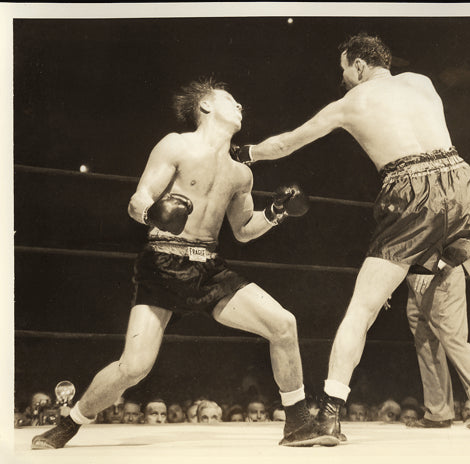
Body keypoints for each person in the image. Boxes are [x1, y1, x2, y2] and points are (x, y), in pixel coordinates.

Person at [233, 32, 470, 441]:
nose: (344, 79)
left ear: (358, 64)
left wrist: (245, 154)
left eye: (344, 70)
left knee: (362, 308)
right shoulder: (421, 82)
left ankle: (330, 416)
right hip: (462, 179)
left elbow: (286, 143)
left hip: (408, 188)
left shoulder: (351, 103)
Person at [31, 77, 337, 449]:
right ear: (206, 107)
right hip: (163, 260)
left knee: (284, 324)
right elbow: (138, 199)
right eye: (230, 99)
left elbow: (242, 230)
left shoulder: (242, 172)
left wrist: (275, 213)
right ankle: (71, 421)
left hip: (210, 268)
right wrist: (153, 215)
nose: (240, 105)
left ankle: (298, 423)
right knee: (134, 367)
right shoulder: (177, 145)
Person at [405, 263, 470, 429]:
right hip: (414, 275)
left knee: (453, 338)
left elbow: (453, 237)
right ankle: (438, 412)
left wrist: (433, 266)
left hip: (439, 272)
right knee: (425, 341)